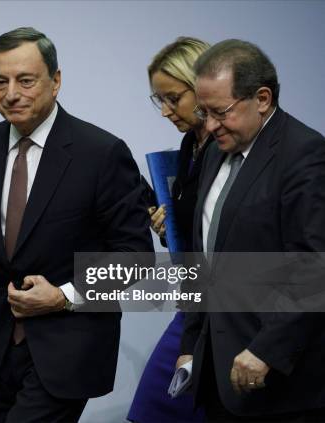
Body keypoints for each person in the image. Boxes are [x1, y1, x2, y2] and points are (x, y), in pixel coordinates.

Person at [0, 27, 154, 423]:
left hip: (69, 349)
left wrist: (65, 295)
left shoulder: (101, 153)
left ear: (55, 82)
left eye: (25, 80)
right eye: (0, 81)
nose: (11, 93)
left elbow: (136, 258)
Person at [178, 39, 325, 421]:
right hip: (216, 372)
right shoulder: (215, 150)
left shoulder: (305, 155)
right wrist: (191, 342)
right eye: (203, 111)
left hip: (279, 383)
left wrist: (267, 350)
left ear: (262, 99)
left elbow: (314, 268)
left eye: (220, 112)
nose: (209, 125)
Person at [128, 36, 210, 423]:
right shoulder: (188, 146)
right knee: (150, 410)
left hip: (230, 311)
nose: (164, 111)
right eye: (158, 100)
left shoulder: (234, 151)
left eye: (172, 98)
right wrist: (167, 228)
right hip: (194, 306)